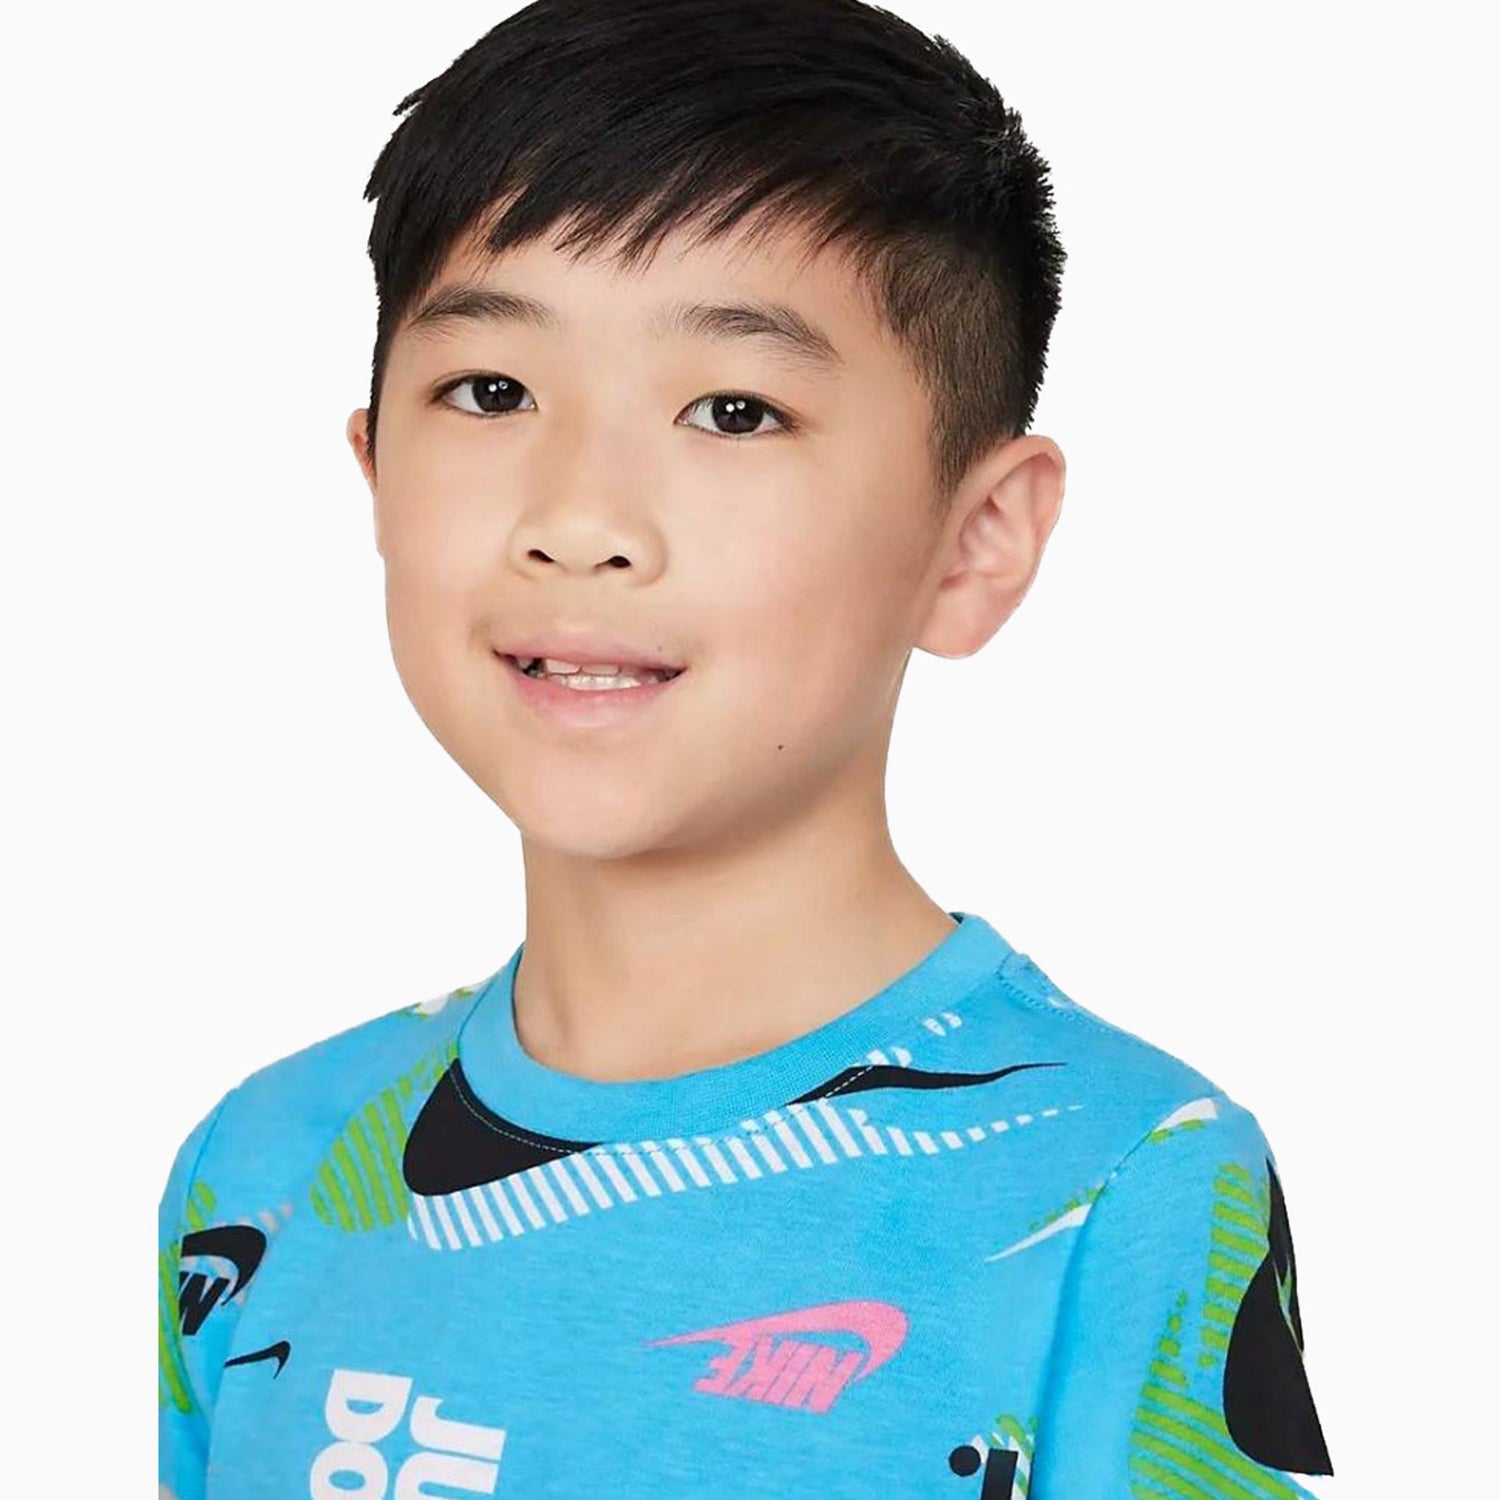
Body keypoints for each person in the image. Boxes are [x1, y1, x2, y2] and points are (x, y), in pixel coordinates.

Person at [157, 1, 1333, 1495]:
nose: (581, 521)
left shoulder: (1126, 1182)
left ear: (975, 539)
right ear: (374, 468)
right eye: (492, 391)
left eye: (733, 410)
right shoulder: (260, 1174)